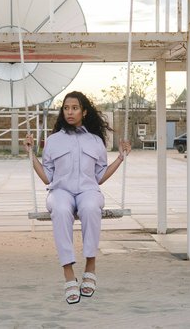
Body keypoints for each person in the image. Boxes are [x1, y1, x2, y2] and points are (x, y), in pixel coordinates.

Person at [24, 91, 131, 304]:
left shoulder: (95, 141)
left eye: (74, 108)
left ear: (84, 111)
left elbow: (99, 177)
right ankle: (68, 273)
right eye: (66, 108)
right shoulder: (53, 141)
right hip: (60, 191)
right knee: (62, 210)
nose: (69, 112)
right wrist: (30, 154)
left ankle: (90, 266)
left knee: (91, 207)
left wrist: (120, 157)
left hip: (88, 190)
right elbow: (47, 178)